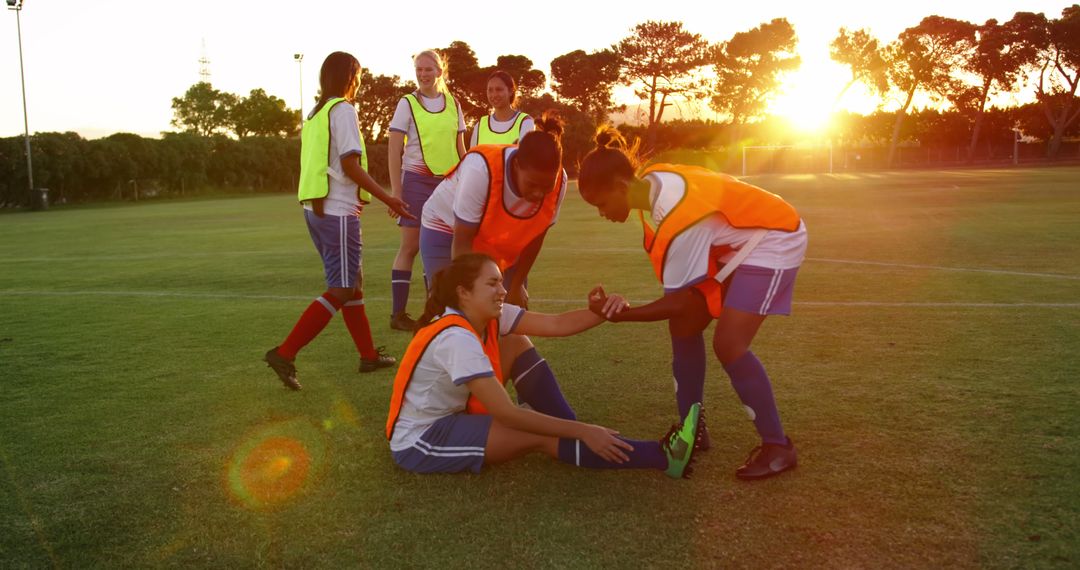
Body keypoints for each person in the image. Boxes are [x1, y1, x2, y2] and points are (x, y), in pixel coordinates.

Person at [576, 127, 808, 481]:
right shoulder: (650, 183)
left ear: (621, 188)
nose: (601, 213)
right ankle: (692, 429)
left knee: (729, 344)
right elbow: (682, 307)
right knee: (684, 328)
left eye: (601, 204)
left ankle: (778, 447)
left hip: (774, 237)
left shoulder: (678, 217)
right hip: (735, 244)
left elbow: (678, 302)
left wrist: (622, 316)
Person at [386, 253, 704, 477]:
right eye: (493, 284)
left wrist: (604, 311)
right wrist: (584, 431)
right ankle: (662, 456)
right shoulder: (456, 338)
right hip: (422, 440)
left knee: (515, 341)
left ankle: (567, 429)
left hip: (453, 416)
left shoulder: (489, 317)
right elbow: (506, 413)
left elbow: (556, 323)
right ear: (463, 293)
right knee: (541, 435)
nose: (503, 290)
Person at [263, 51, 415, 391]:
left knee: (353, 284)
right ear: (350, 76)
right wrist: (388, 197)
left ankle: (368, 355)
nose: (360, 82)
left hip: (316, 210)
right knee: (342, 288)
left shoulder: (316, 113)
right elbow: (350, 164)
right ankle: (284, 353)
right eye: (358, 75)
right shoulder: (343, 110)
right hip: (337, 212)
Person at [419, 112, 570, 418]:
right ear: (517, 165)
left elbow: (536, 234)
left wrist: (516, 285)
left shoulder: (559, 182)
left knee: (502, 318)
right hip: (445, 228)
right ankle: (435, 400)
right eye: (533, 185)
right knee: (449, 311)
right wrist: (469, 298)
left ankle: (495, 396)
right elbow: (462, 245)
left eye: (547, 185)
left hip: (492, 236)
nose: (540, 193)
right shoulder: (482, 170)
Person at [386, 49, 467, 331]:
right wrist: (396, 191)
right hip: (416, 183)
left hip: (449, 184)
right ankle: (398, 315)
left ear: (440, 72)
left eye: (428, 70)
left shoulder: (454, 103)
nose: (422, 74)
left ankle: (436, 311)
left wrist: (469, 180)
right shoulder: (406, 103)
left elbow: (461, 150)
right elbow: (394, 149)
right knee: (411, 247)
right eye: (418, 70)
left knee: (443, 248)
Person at [469, 70, 534, 148]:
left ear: (510, 91)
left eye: (499, 89)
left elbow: (526, 158)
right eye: (490, 90)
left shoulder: (525, 122)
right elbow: (473, 158)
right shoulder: (480, 126)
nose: (494, 95)